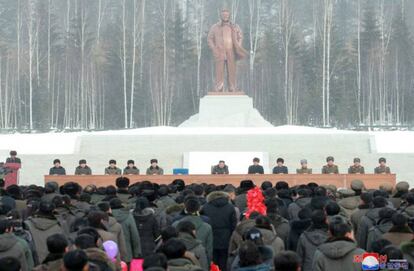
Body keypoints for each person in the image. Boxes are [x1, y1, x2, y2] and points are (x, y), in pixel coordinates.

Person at [207, 8, 247, 92]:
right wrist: (214, 49)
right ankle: (219, 87)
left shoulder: (235, 26)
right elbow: (209, 39)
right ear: (221, 16)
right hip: (219, 52)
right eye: (223, 15)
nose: (225, 16)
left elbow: (240, 36)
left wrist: (238, 46)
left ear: (229, 16)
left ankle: (232, 87)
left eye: (227, 15)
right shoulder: (215, 27)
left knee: (232, 70)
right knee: (219, 71)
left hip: (231, 52)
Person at [201, 190, 237, 271]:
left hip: (211, 236)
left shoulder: (205, 207)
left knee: (212, 260)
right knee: (224, 260)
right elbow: (233, 224)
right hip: (226, 237)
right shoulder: (230, 207)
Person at [109, 198, 142, 263]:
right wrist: (137, 253)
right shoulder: (128, 215)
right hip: (127, 253)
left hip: (110, 254)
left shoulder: (105, 216)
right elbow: (134, 235)